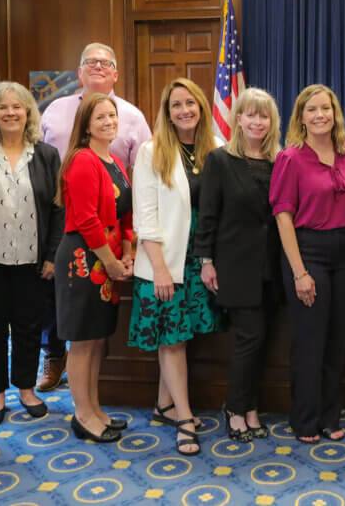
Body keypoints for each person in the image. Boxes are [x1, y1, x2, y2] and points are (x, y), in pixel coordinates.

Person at [37, 42, 151, 393]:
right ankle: (54, 358)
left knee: (90, 329)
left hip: (109, 226)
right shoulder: (55, 112)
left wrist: (127, 247)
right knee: (59, 307)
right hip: (67, 221)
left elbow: (142, 176)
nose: (99, 67)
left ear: (116, 74)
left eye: (106, 63)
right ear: (79, 73)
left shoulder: (132, 118)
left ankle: (89, 395)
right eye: (91, 62)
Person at [128, 78, 224, 456]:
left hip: (199, 258)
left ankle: (164, 404)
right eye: (175, 105)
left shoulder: (214, 149)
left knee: (182, 336)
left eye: (190, 103)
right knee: (171, 339)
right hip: (164, 261)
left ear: (201, 107)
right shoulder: (153, 152)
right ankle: (183, 418)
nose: (184, 110)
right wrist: (160, 269)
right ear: (166, 113)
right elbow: (145, 217)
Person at [271, 84, 345, 443]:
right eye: (312, 110)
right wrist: (299, 272)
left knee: (338, 339)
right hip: (309, 252)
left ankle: (329, 415)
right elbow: (282, 216)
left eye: (326, 108)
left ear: (335, 113)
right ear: (301, 117)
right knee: (310, 340)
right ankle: (305, 419)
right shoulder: (290, 158)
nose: (320, 115)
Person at [0, 82, 64, 425]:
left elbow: (58, 210)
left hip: (32, 260)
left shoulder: (46, 155)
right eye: (2, 107)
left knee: (29, 327)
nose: (10, 112)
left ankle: (26, 389)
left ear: (28, 113)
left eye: (17, 107)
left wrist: (53, 255)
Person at [196, 87, 282, 443]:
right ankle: (235, 408)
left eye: (263, 115)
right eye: (250, 114)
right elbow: (208, 215)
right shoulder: (220, 160)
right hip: (235, 265)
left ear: (272, 121)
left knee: (263, 341)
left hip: (273, 268)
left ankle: (249, 408)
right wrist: (206, 261)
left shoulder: (282, 161)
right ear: (238, 119)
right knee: (249, 337)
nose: (257, 121)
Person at [54, 93, 134, 443]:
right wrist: (112, 261)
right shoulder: (82, 160)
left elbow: (125, 213)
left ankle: (96, 408)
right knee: (83, 342)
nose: (108, 122)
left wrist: (127, 250)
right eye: (100, 117)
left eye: (112, 116)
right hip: (85, 260)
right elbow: (87, 219)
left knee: (98, 339)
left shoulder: (113, 159)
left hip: (109, 260)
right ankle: (82, 414)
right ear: (85, 123)